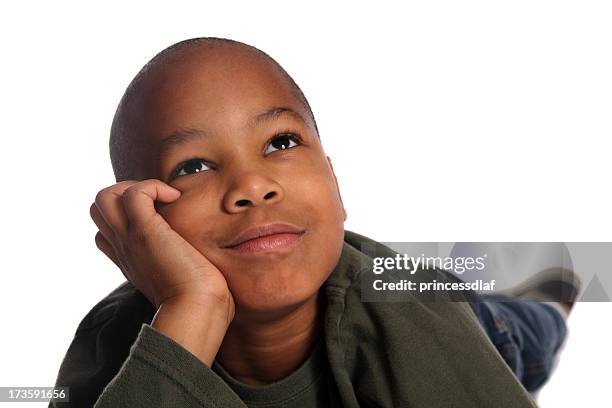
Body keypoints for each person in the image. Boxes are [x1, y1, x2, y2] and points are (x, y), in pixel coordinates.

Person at [49, 37, 571, 407]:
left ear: (334, 181)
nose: (253, 186)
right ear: (141, 230)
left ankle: (542, 283)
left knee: (523, 330)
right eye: (194, 167)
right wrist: (193, 306)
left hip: (456, 318)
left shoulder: (414, 324)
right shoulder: (111, 348)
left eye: (281, 142)